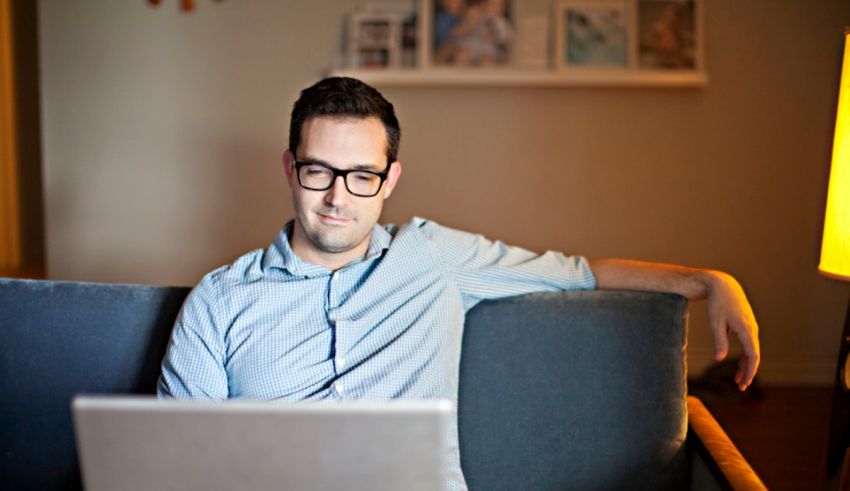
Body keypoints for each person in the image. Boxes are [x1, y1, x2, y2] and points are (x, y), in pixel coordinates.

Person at [157, 76, 760, 491]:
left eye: (362, 175)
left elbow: (577, 273)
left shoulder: (433, 256)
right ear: (291, 168)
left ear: (390, 180)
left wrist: (709, 280)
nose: (338, 197)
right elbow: (178, 464)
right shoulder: (221, 299)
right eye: (319, 171)